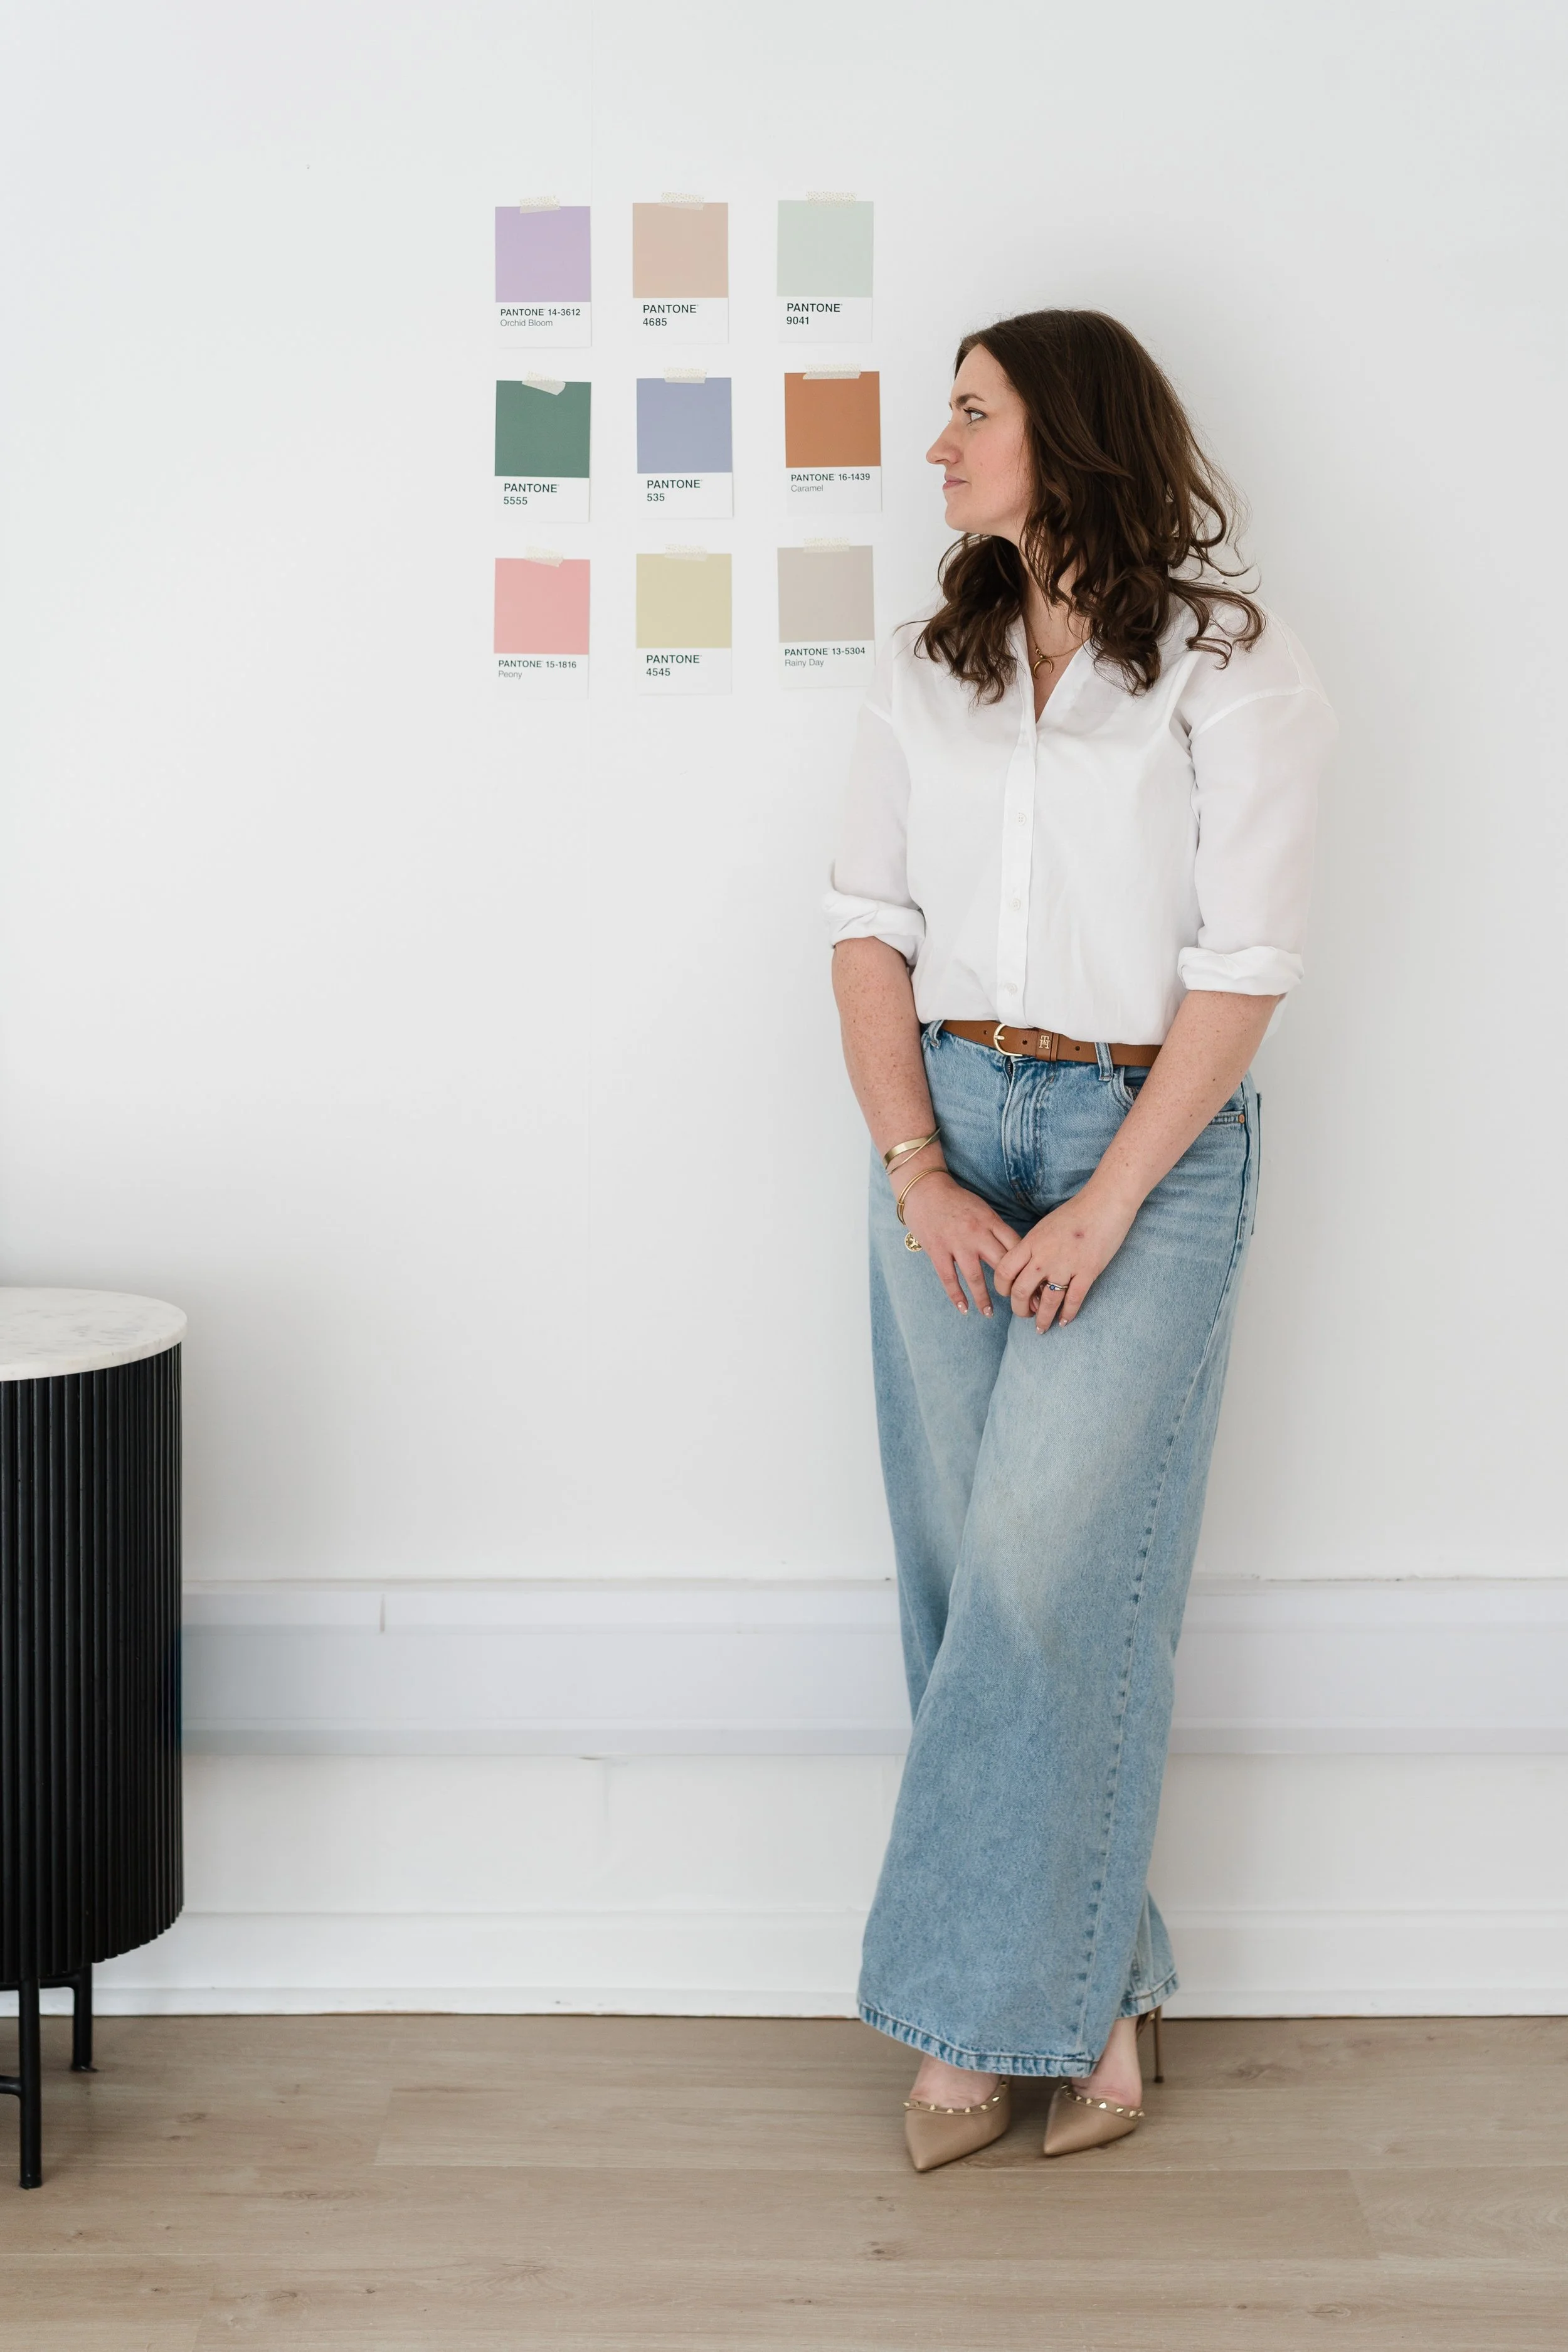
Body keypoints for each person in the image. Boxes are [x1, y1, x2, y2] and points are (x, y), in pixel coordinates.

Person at [827, 309, 1335, 2172]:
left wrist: (1109, 1196)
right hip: (947, 1125)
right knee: (971, 1578)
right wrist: (915, 1169)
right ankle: (1090, 1989)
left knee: (1051, 1568)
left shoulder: (1229, 665)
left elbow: (1244, 963)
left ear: (1071, 436)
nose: (936, 445)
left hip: (1155, 1141)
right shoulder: (923, 668)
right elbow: (863, 929)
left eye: (969, 413)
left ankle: (969, 2023)